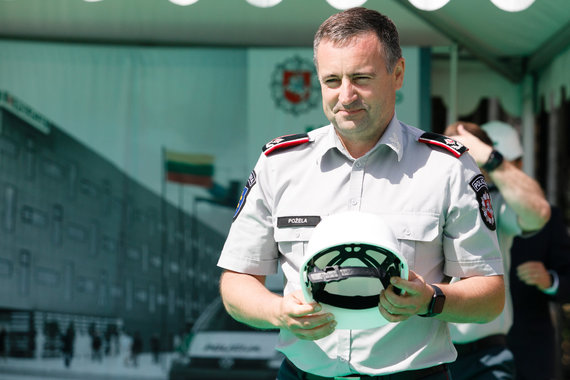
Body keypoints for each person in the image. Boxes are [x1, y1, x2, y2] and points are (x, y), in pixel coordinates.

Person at [217, 7, 506, 379]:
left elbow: (490, 295)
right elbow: (237, 281)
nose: (346, 95)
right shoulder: (279, 164)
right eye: (332, 80)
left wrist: (432, 300)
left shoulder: (447, 167)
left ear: (397, 73)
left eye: (361, 78)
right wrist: (277, 311)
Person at [443, 121, 551, 380]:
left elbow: (538, 212)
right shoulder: (420, 197)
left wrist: (493, 161)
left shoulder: (494, 200)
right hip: (425, 357)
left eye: (464, 153)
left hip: (484, 356)